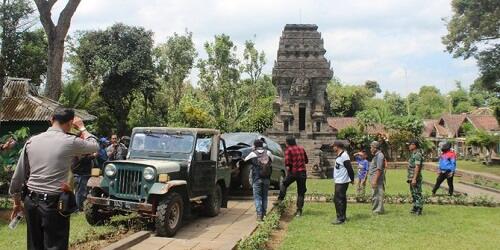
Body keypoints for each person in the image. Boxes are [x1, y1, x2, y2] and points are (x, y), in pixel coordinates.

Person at [9, 108, 99, 250]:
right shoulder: (70, 141)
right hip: (54, 204)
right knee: (55, 246)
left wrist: (16, 202)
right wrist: (82, 128)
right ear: (70, 123)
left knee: (34, 245)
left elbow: (18, 176)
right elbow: (94, 145)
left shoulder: (32, 141)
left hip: (31, 203)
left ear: (51, 120)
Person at [275, 136, 308, 217]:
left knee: (284, 184)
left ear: (287, 143)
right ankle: (299, 211)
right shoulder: (301, 148)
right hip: (302, 172)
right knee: (301, 192)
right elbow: (306, 160)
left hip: (293, 172)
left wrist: (288, 173)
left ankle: (280, 200)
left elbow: (288, 164)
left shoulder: (288, 150)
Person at [244, 139, 273, 221]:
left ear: (255, 145)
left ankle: (259, 215)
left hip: (257, 178)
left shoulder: (253, 153)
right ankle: (264, 214)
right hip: (266, 178)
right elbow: (272, 160)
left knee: (257, 197)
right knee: (264, 197)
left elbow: (245, 160)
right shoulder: (268, 152)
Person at [331, 141, 355, 225]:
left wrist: (352, 179)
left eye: (333, 146)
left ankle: (340, 219)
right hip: (339, 181)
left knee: (338, 200)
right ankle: (342, 216)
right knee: (341, 199)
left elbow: (349, 168)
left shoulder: (344, 156)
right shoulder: (340, 155)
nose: (332, 148)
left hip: (342, 181)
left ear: (337, 147)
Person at [407, 139, 424, 215]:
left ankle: (419, 208)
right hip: (411, 177)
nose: (409, 146)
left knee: (417, 193)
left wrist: (414, 178)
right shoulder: (413, 154)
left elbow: (417, 167)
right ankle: (415, 206)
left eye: (410, 144)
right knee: (413, 193)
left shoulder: (417, 154)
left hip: (415, 177)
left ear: (414, 145)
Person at [369, 141, 385, 214]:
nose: (370, 149)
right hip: (374, 178)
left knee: (377, 194)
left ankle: (377, 210)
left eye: (371, 147)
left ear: (375, 148)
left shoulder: (380, 156)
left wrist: (375, 180)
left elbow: (379, 169)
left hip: (377, 179)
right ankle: (376, 209)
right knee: (375, 194)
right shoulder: (377, 155)